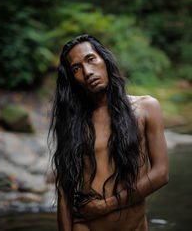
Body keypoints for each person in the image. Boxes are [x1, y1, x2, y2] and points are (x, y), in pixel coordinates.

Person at [49, 34, 169, 231]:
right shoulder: (72, 122)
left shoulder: (147, 108)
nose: (87, 72)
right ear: (72, 79)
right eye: (76, 69)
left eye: (91, 59)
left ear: (105, 59)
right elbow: (64, 192)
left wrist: (105, 206)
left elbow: (161, 174)